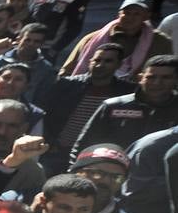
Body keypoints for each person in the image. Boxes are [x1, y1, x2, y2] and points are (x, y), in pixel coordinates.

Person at [40, 43, 132, 173]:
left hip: (95, 156)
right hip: (58, 151)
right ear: (90, 61)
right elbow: (46, 114)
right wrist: (50, 143)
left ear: (119, 64)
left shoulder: (125, 92)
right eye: (97, 60)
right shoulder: (68, 85)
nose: (100, 65)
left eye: (108, 61)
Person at [74, 55, 178, 158]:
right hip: (111, 171)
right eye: (151, 77)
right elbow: (84, 144)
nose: (157, 83)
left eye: (166, 78)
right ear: (140, 78)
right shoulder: (114, 105)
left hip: (159, 173)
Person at [63, 0, 173, 79]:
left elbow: (169, 73)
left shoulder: (160, 42)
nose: (130, 17)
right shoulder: (92, 39)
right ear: (118, 14)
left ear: (146, 16)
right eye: (126, 13)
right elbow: (67, 70)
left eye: (136, 14)